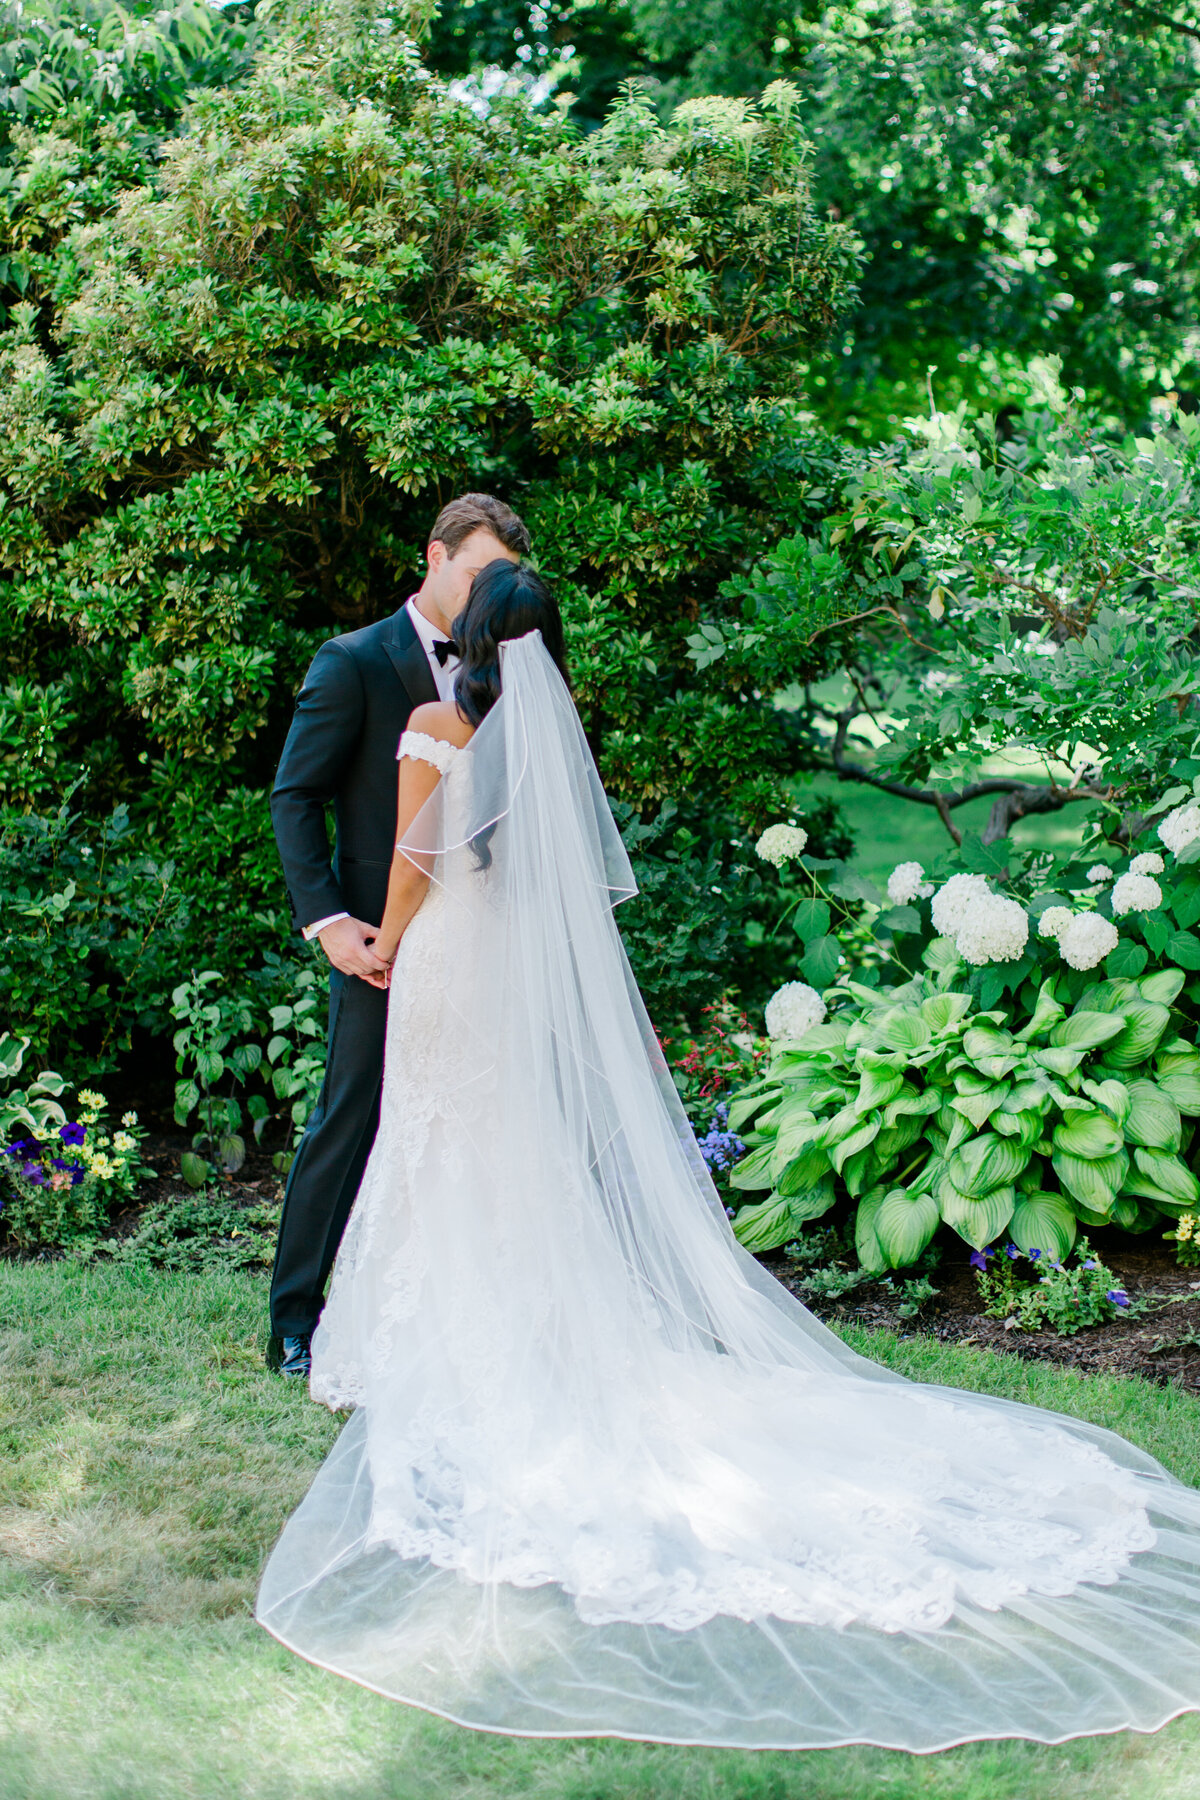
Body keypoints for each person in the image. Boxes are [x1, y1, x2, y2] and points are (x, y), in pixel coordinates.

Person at [257, 562, 1200, 1750]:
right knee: (494, 1143)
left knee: (442, 1139)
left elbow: (411, 858)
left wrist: (385, 943)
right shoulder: (542, 738)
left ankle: (451, 1336)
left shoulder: (439, 723)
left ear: (471, 636)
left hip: (443, 955)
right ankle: (516, 1321)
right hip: (500, 965)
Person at [266, 493, 529, 1378]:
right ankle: (295, 1318)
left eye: (503, 578)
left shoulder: (516, 673)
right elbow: (294, 797)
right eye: (477, 570)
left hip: (474, 939)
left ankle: (464, 1322)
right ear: (435, 555)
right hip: (379, 943)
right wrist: (332, 923)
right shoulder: (354, 661)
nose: (487, 590)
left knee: (480, 1122)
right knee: (351, 1116)